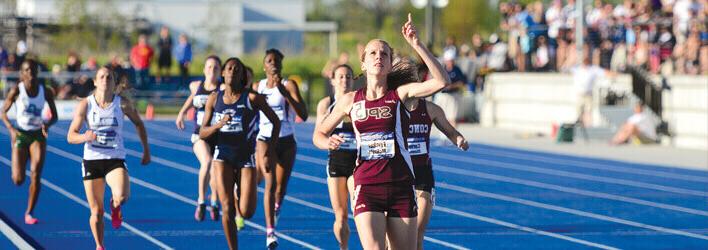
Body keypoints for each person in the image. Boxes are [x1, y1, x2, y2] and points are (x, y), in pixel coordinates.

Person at [313, 14, 450, 249]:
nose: (379, 57)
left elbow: (441, 81)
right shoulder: (350, 101)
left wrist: (417, 44)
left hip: (401, 185)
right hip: (366, 185)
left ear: (389, 64)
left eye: (384, 54)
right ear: (364, 63)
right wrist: (328, 143)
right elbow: (318, 134)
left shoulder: (401, 94)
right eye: (373, 53)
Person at [199, 57, 281, 250]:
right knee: (226, 208)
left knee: (246, 211)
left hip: (246, 157)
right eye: (229, 69)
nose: (232, 72)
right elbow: (203, 132)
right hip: (223, 156)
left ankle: (239, 194)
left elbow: (275, 122)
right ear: (223, 73)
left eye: (237, 70)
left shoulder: (252, 98)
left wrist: (269, 150)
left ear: (243, 76)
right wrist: (218, 125)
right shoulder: (214, 98)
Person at [67, 66, 151, 250]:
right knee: (96, 212)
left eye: (109, 78)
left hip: (115, 159)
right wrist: (85, 137)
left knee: (122, 196)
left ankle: (115, 206)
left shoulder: (122, 104)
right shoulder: (86, 104)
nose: (106, 80)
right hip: (92, 160)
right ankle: (99, 245)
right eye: (102, 77)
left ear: (114, 83)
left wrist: (146, 150)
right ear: (96, 82)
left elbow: (139, 123)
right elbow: (70, 135)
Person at [254, 48, 308, 249]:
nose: (273, 63)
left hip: (286, 141)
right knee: (269, 183)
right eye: (269, 60)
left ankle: (275, 209)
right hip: (265, 140)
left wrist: (286, 94)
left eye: (277, 60)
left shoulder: (289, 85)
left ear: (281, 64)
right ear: (264, 65)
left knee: (280, 190)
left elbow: (303, 113)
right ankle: (270, 233)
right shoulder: (257, 86)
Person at [402, 97, 469, 250]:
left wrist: (459, 139)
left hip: (422, 173)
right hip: (398, 172)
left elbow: (450, 131)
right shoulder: (394, 107)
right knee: (391, 238)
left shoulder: (431, 109)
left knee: (417, 233)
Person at [0, 59, 58, 224]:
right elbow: (3, 112)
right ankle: (17, 159)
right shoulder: (16, 91)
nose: (30, 74)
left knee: (35, 174)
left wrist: (46, 124)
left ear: (37, 73)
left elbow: (54, 115)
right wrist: (11, 129)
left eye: (33, 71)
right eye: (27, 71)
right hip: (21, 135)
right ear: (22, 74)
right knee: (18, 180)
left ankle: (29, 213)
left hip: (37, 136)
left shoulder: (45, 91)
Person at [175, 55, 222, 221]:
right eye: (209, 67)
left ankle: (214, 201)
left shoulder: (223, 89)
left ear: (220, 71)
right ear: (204, 69)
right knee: (207, 161)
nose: (212, 70)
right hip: (199, 135)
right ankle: (201, 201)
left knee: (216, 172)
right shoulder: (196, 86)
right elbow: (192, 98)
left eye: (215, 68)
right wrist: (181, 113)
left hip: (218, 136)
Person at [315, 64, 356, 249]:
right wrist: (328, 142)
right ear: (332, 80)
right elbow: (317, 136)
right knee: (340, 216)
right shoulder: (326, 103)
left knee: (362, 212)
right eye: (340, 77)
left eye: (348, 76)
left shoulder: (360, 101)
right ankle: (343, 247)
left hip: (359, 162)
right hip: (337, 162)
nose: (344, 80)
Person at [433, 49, 466, 142]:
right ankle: (442, 137)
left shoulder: (457, 70)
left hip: (453, 96)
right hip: (442, 95)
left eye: (451, 61)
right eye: (448, 60)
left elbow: (462, 82)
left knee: (452, 117)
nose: (450, 63)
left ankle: (453, 137)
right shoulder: (442, 68)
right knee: (440, 116)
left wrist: (452, 86)